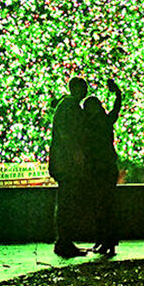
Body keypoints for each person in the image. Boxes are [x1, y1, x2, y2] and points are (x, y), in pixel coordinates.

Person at [81, 78, 123, 257]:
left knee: (103, 205)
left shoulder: (96, 123)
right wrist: (118, 93)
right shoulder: (102, 121)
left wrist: (118, 94)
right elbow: (116, 109)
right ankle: (104, 240)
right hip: (102, 166)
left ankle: (106, 241)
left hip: (102, 167)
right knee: (102, 205)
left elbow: (116, 108)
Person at [48, 76, 88, 258]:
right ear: (76, 89)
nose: (86, 92)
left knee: (66, 201)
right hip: (67, 163)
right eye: (83, 88)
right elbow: (68, 134)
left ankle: (64, 241)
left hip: (64, 162)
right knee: (67, 202)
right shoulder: (69, 107)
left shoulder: (66, 106)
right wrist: (76, 153)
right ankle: (64, 242)